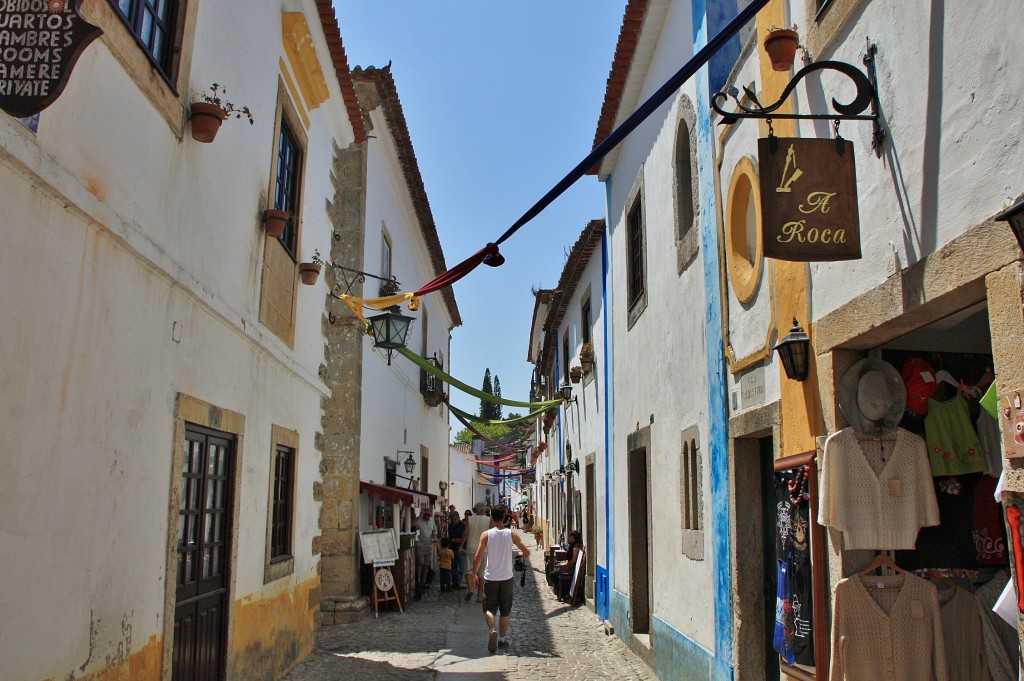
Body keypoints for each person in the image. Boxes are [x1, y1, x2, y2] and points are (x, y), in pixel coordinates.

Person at [469, 506, 531, 652]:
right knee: (505, 610)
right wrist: (520, 556)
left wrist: (474, 575)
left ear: (491, 517)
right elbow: (526, 552)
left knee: (488, 608)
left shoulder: (486, 535)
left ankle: (492, 630)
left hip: (490, 578)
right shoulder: (511, 534)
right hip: (507, 578)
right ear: (504, 518)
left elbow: (477, 556)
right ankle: (502, 639)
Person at [463, 502, 491, 601]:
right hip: (483, 549)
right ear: (484, 510)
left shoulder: (470, 519)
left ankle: (470, 588)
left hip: (471, 547)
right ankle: (480, 596)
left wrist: (461, 545)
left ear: (475, 509)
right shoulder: (488, 520)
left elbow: (465, 534)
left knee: (469, 569)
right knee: (482, 573)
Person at [549, 530, 584, 602]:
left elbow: (573, 561)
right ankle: (561, 593)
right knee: (555, 572)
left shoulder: (576, 547)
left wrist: (564, 564)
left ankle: (562, 593)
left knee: (553, 575)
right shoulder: (572, 545)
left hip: (571, 569)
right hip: (568, 567)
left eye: (569, 537)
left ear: (573, 537)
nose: (568, 538)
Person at [414, 508, 436, 589]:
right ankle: (418, 581)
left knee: (426, 564)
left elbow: (434, 530)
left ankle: (423, 582)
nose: (427, 516)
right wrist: (419, 516)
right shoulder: (419, 520)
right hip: (420, 545)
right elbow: (412, 524)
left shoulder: (432, 521)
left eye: (429, 515)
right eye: (426, 515)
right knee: (420, 563)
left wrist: (434, 535)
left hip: (429, 545)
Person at [447, 510, 466, 589]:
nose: (453, 521)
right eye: (452, 519)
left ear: (458, 518)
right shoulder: (450, 525)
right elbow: (450, 536)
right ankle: (455, 582)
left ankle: (459, 582)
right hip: (452, 548)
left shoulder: (463, 525)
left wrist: (460, 540)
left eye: (455, 519)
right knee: (453, 567)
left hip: (461, 548)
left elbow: (465, 536)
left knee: (461, 567)